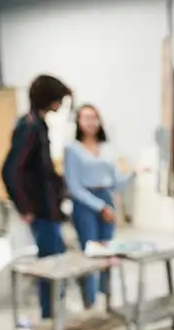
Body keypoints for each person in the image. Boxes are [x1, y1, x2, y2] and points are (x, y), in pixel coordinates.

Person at [2, 74, 74, 321]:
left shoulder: (39, 125)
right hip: (41, 211)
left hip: (49, 208)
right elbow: (11, 170)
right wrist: (25, 207)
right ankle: (51, 316)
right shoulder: (29, 127)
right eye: (59, 99)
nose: (60, 105)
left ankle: (55, 312)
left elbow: (41, 169)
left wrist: (59, 184)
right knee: (50, 266)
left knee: (57, 261)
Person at [64, 104, 123, 305]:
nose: (91, 122)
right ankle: (89, 301)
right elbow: (74, 186)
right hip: (85, 203)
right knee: (89, 252)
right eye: (86, 118)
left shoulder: (106, 148)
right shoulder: (72, 149)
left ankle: (106, 299)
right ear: (79, 122)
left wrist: (135, 172)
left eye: (94, 117)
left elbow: (115, 180)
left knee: (108, 252)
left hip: (106, 197)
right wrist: (100, 207)